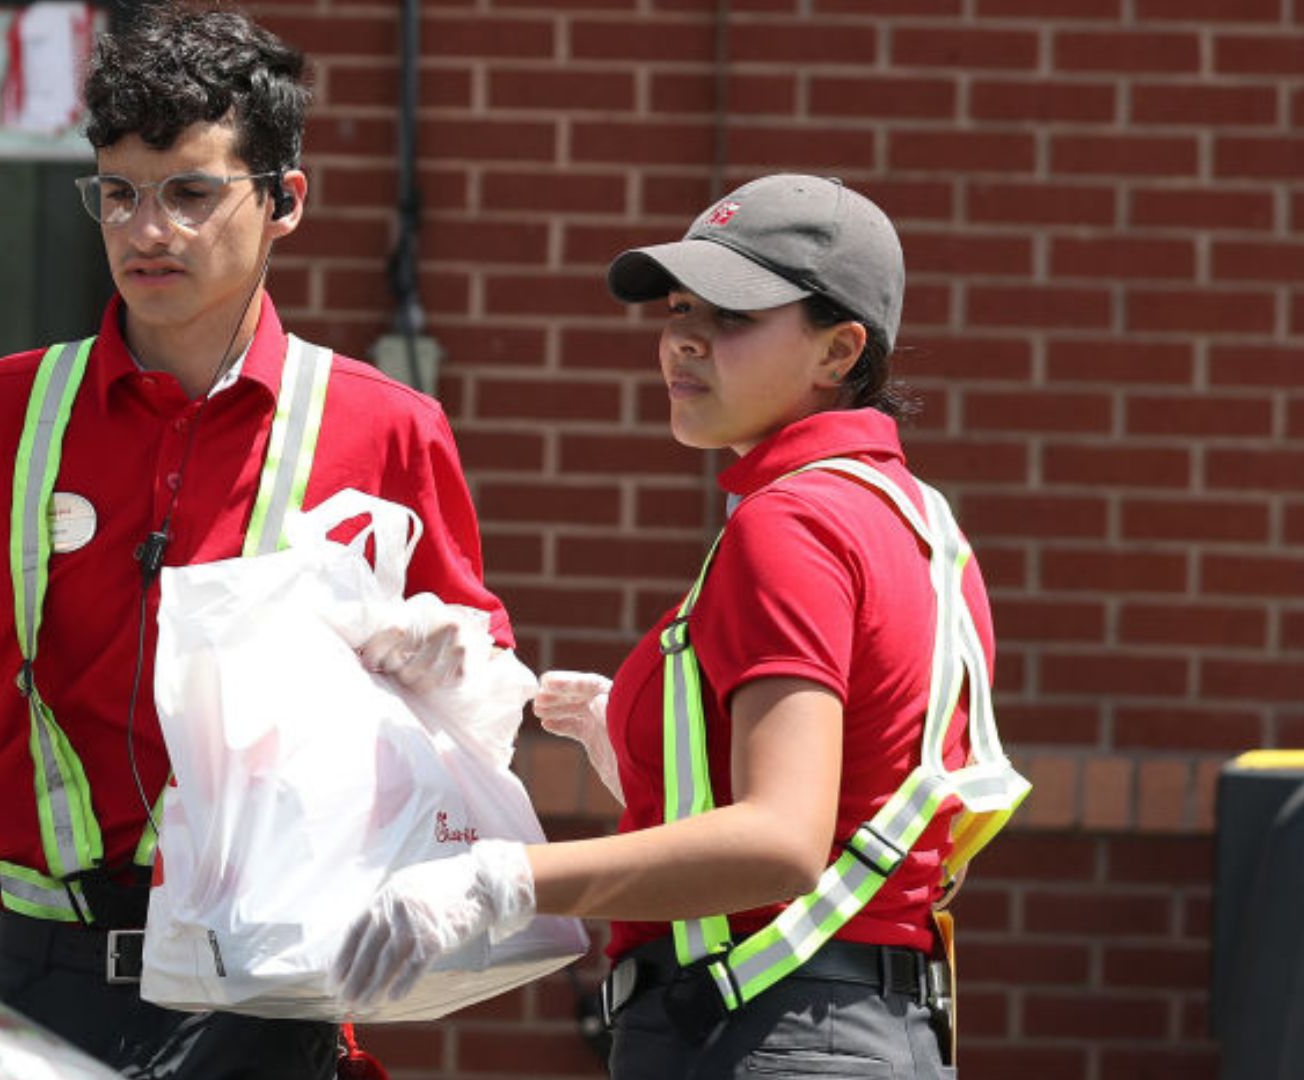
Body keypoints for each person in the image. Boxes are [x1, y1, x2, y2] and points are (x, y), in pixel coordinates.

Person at [0, 3, 514, 1075]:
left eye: (192, 193)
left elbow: (480, 700)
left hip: (269, 979)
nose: (148, 230)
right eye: (118, 193)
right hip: (39, 966)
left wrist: (448, 656)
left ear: (284, 201)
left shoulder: (385, 427)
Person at [332, 175, 1027, 1078]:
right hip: (848, 1026)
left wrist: (497, 881)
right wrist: (636, 740)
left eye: (733, 317)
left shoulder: (791, 523)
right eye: (677, 308)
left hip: (768, 1034)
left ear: (840, 348)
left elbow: (781, 840)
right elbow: (853, 787)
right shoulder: (912, 515)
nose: (684, 339)